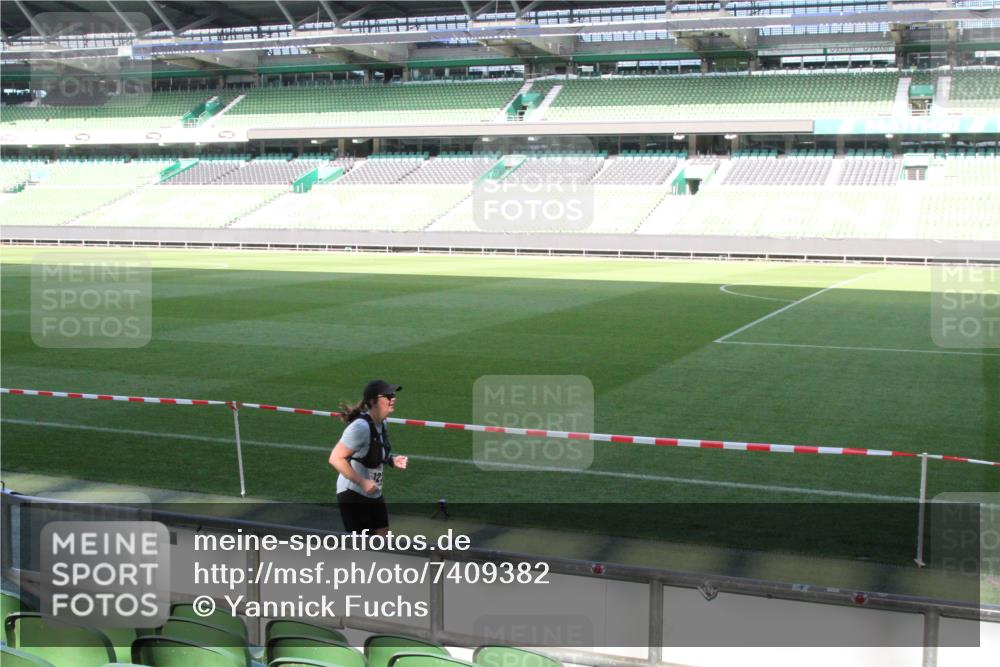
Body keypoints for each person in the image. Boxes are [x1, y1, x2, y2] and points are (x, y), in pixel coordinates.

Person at [329, 379, 408, 536]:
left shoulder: (382, 424)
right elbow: (335, 458)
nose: (393, 399)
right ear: (373, 401)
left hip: (373, 492)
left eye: (393, 395)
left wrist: (391, 460)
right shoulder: (360, 427)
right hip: (353, 493)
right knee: (363, 545)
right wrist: (362, 482)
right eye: (388, 396)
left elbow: (371, 451)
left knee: (383, 539)